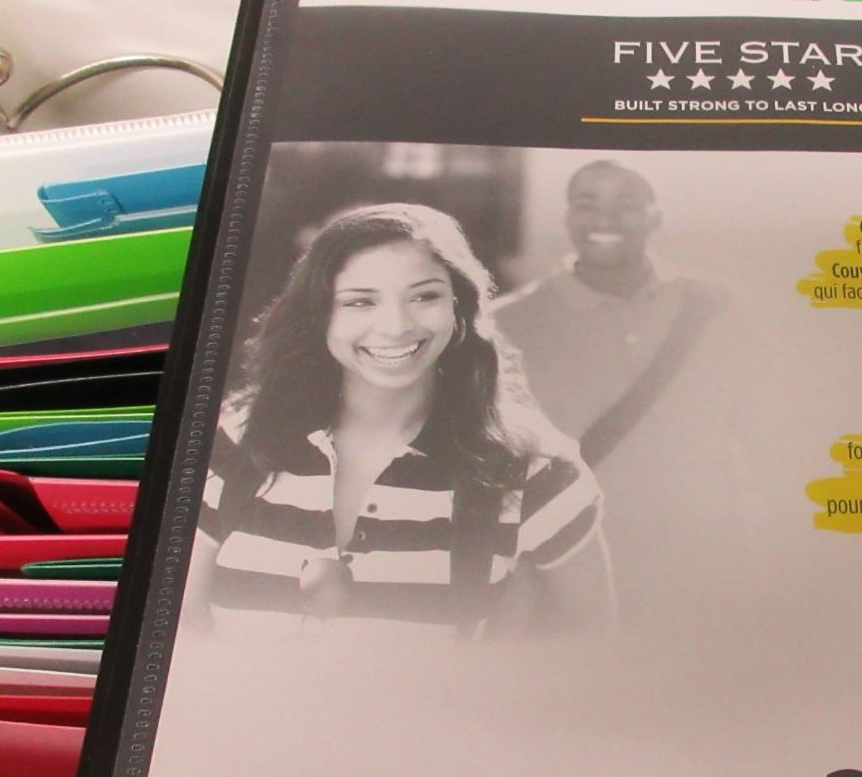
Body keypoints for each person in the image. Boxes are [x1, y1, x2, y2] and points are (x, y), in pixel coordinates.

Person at [185, 203, 611, 642]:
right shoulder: (232, 446)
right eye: (360, 301)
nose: (394, 326)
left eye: (424, 297)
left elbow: (589, 653)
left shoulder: (535, 470)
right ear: (319, 313)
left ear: (459, 308)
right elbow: (180, 627)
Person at [494, 160, 750, 625]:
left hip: (704, 571)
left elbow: (757, 441)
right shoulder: (506, 325)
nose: (605, 220)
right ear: (567, 218)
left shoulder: (717, 309)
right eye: (586, 204)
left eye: (626, 204)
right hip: (575, 572)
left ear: (656, 216)